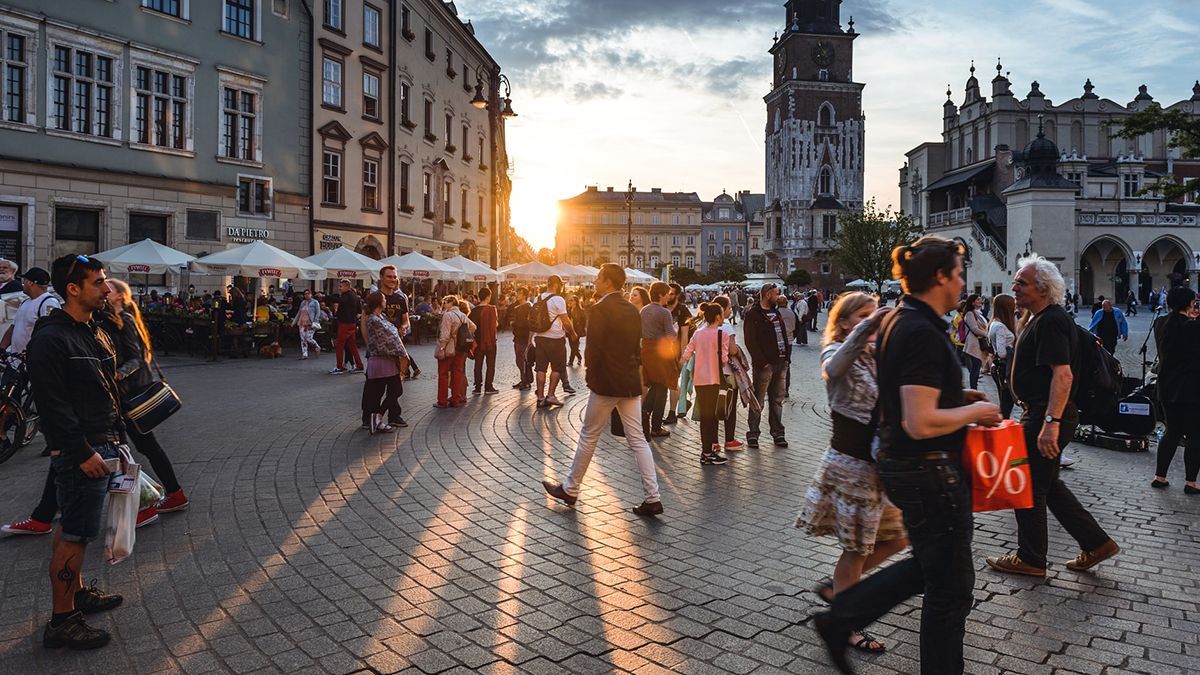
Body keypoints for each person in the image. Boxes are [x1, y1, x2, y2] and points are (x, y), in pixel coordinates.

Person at [813, 236, 1002, 675]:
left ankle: (842, 617)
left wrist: (955, 395)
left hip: (908, 467)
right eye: (957, 274)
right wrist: (975, 409)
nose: (962, 283)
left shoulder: (903, 319)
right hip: (928, 470)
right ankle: (842, 618)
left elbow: (903, 395)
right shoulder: (920, 330)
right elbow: (918, 421)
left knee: (935, 568)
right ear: (939, 276)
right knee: (950, 588)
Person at [986, 256, 1120, 579]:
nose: (1014, 287)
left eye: (1022, 282)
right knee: (1049, 485)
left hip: (1046, 413)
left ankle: (1031, 557)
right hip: (1042, 412)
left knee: (1027, 484)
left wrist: (1050, 423)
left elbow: (1063, 376)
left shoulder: (1051, 320)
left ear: (1043, 289)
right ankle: (1097, 543)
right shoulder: (1037, 318)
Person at [798, 292, 907, 655]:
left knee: (898, 538)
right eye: (862, 315)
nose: (871, 319)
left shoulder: (876, 356)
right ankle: (846, 621)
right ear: (845, 322)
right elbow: (833, 368)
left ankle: (838, 588)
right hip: (852, 466)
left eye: (873, 313)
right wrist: (868, 327)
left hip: (879, 467)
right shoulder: (834, 350)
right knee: (856, 550)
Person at [28, 254, 126, 649]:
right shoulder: (52, 338)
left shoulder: (91, 329)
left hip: (100, 440)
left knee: (73, 527)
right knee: (75, 536)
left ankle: (78, 592)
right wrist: (81, 451)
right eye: (99, 282)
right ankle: (63, 620)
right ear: (73, 289)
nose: (107, 288)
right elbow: (52, 406)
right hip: (81, 450)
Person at [542, 264, 663, 516]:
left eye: (598, 278)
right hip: (628, 381)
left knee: (589, 435)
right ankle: (653, 497)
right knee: (638, 439)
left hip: (606, 382)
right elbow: (635, 346)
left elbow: (593, 349)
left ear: (608, 282)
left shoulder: (599, 309)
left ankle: (571, 489)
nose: (595, 281)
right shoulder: (632, 309)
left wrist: (591, 376)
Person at [103, 279, 189, 516]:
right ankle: (170, 493)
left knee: (137, 447)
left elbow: (137, 359)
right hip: (121, 395)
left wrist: (115, 374)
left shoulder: (126, 321)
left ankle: (161, 496)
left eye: (107, 289)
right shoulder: (111, 321)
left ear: (119, 295)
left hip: (129, 395)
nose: (103, 291)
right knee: (141, 446)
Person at [1152, 286, 1200, 494]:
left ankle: (1160, 476)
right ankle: (1190, 482)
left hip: (1167, 386)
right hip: (1191, 388)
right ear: (1189, 303)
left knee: (1172, 431)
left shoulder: (1160, 323)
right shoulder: (1193, 327)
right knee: (1195, 436)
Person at [679, 302, 731, 465]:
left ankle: (707, 450)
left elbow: (688, 352)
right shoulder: (722, 334)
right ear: (717, 316)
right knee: (712, 415)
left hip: (699, 379)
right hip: (714, 378)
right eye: (722, 313)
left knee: (705, 415)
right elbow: (724, 359)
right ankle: (709, 452)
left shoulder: (699, 333)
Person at [742, 283, 790, 449]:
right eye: (776, 294)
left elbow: (783, 336)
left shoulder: (776, 312)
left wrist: (787, 358)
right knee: (759, 401)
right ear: (768, 294)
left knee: (777, 400)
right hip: (765, 365)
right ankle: (753, 434)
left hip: (781, 362)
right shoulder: (754, 314)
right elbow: (750, 341)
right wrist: (762, 362)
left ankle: (778, 433)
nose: (778, 296)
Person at [361, 292, 406, 433]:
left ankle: (377, 418)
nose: (386, 301)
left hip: (388, 361)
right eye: (384, 299)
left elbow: (392, 334)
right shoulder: (374, 319)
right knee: (379, 392)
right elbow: (389, 338)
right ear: (379, 302)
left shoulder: (382, 316)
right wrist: (402, 352)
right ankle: (376, 419)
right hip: (381, 361)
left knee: (395, 389)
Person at [640, 282, 678, 439]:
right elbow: (670, 336)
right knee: (662, 387)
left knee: (655, 386)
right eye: (667, 293)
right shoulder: (664, 313)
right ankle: (655, 427)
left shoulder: (644, 310)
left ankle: (644, 416)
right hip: (660, 352)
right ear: (661, 295)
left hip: (646, 350)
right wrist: (675, 329)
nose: (669, 296)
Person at [0, 266, 61, 357]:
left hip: (34, 362)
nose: (22, 283)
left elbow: (51, 333)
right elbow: (13, 327)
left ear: (30, 283)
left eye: (24, 280)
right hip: (15, 361)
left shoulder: (49, 303)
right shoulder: (25, 302)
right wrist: (2, 348)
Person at [533, 275, 572, 408]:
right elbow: (566, 321)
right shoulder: (558, 299)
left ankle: (540, 398)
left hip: (540, 337)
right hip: (555, 338)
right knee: (557, 368)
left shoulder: (538, 298)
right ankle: (551, 396)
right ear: (556, 285)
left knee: (541, 368)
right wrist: (573, 333)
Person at [435, 295, 474, 408]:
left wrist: (442, 348)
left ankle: (442, 401)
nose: (443, 304)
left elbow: (445, 335)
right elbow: (473, 327)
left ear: (451, 302)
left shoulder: (448, 315)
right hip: (460, 348)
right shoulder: (462, 315)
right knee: (457, 373)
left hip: (449, 348)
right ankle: (455, 399)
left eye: (444, 302)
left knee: (443, 374)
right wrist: (460, 335)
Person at [988, 294, 1017, 419]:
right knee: (1006, 403)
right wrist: (1013, 350)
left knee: (1005, 402)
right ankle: (1002, 429)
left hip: (999, 367)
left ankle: (1002, 426)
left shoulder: (994, 323)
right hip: (1004, 368)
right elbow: (1001, 352)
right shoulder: (1000, 327)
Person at [329, 279, 364, 374]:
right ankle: (359, 365)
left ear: (347, 287)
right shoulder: (355, 297)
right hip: (352, 323)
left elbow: (338, 300)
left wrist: (329, 297)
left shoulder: (346, 296)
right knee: (352, 345)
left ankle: (340, 366)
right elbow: (359, 311)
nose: (339, 288)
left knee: (340, 345)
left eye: (341, 286)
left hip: (345, 323)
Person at [469, 286, 499, 395]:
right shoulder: (492, 309)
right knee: (490, 365)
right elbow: (496, 325)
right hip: (491, 341)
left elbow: (470, 326)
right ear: (488, 296)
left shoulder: (474, 310)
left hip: (478, 341)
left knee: (478, 364)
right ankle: (488, 387)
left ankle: (477, 387)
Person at [961, 294, 988, 389]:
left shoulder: (977, 312)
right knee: (975, 369)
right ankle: (974, 389)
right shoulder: (970, 314)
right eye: (978, 299)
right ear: (972, 302)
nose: (980, 301)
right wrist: (987, 334)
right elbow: (974, 329)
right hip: (973, 344)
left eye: (980, 299)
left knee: (976, 368)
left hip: (977, 343)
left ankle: (974, 388)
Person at [510, 288, 534, 390]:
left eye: (519, 293)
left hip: (524, 337)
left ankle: (526, 381)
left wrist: (530, 339)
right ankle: (523, 379)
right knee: (519, 359)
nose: (517, 295)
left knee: (524, 359)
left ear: (524, 295)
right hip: (518, 336)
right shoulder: (518, 307)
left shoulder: (528, 307)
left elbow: (528, 324)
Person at [775, 295, 798, 398]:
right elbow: (797, 327)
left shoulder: (775, 313)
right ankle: (786, 389)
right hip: (789, 342)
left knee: (775, 364)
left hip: (777, 342)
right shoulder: (792, 313)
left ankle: (775, 387)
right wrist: (792, 336)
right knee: (786, 365)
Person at [292, 289, 322, 359]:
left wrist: (315, 321)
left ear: (311, 294)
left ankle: (317, 346)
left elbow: (318, 313)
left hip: (310, 322)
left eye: (308, 293)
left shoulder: (315, 302)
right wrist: (294, 322)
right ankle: (304, 354)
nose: (306, 295)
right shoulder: (302, 302)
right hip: (302, 322)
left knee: (309, 337)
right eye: (305, 294)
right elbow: (299, 312)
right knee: (303, 339)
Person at [566, 295, 586, 367]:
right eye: (570, 300)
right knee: (573, 347)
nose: (570, 301)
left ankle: (570, 362)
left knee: (574, 347)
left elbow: (584, 321)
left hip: (577, 331)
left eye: (572, 300)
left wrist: (581, 329)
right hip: (570, 331)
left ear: (576, 302)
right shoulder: (568, 310)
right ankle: (579, 357)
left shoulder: (580, 310)